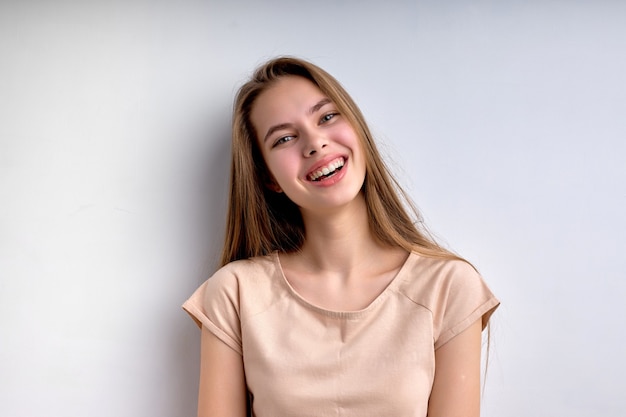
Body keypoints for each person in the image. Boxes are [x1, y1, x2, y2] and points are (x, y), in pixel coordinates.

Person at [183, 56, 499, 417]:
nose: (315, 143)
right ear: (269, 178)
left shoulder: (449, 285)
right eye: (285, 138)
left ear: (358, 130)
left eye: (327, 117)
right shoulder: (235, 292)